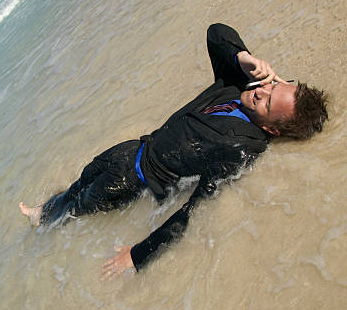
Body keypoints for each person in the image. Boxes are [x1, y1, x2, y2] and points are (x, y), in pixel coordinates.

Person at [19, 23, 328, 279]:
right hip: (132, 148)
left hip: (134, 179)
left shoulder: (242, 147)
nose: (260, 91)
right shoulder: (240, 86)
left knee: (81, 205)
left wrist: (139, 254)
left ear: (272, 129)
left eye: (267, 102)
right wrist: (245, 58)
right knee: (83, 178)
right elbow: (215, 33)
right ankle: (44, 209)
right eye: (273, 85)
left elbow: (196, 207)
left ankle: (43, 226)